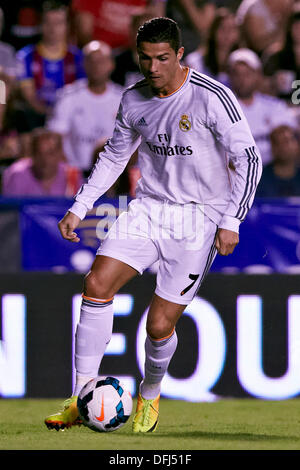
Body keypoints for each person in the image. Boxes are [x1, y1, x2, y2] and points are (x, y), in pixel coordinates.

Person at [44, 17, 262, 433]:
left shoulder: (212, 97)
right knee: (95, 286)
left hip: (200, 218)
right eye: (145, 59)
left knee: (159, 326)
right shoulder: (133, 99)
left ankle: (150, 391)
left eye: (163, 58)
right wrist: (80, 206)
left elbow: (250, 158)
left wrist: (232, 219)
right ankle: (80, 396)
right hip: (149, 208)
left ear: (180, 55)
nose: (153, 68)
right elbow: (114, 157)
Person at [47, 40, 123, 174]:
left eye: (101, 61)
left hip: (113, 175)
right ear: (84, 64)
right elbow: (56, 138)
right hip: (74, 173)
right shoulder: (68, 96)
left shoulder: (124, 99)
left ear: (111, 64)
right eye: (91, 61)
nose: (96, 66)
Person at [16, 1, 85, 129]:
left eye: (58, 23)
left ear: (67, 26)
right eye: (47, 22)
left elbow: (81, 95)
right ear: (40, 24)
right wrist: (53, 115)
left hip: (71, 119)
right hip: (37, 120)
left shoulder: (78, 57)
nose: (52, 29)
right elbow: (30, 98)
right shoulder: (25, 57)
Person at [227, 48, 297, 166]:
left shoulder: (275, 106)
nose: (242, 79)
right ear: (230, 76)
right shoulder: (223, 108)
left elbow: (290, 143)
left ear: (258, 75)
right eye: (237, 74)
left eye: (247, 74)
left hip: (273, 172)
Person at [2, 128, 82, 196]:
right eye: (40, 154)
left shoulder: (72, 175)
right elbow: (10, 211)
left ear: (60, 154)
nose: (45, 160)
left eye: (50, 153)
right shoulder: (17, 174)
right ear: (32, 154)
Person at [184, 7, 240, 86]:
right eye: (223, 28)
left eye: (232, 29)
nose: (227, 33)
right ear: (213, 31)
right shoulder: (195, 62)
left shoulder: (243, 63)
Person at [256, 125, 300, 197]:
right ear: (273, 147)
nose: (288, 146)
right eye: (281, 142)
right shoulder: (260, 177)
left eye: (289, 140)